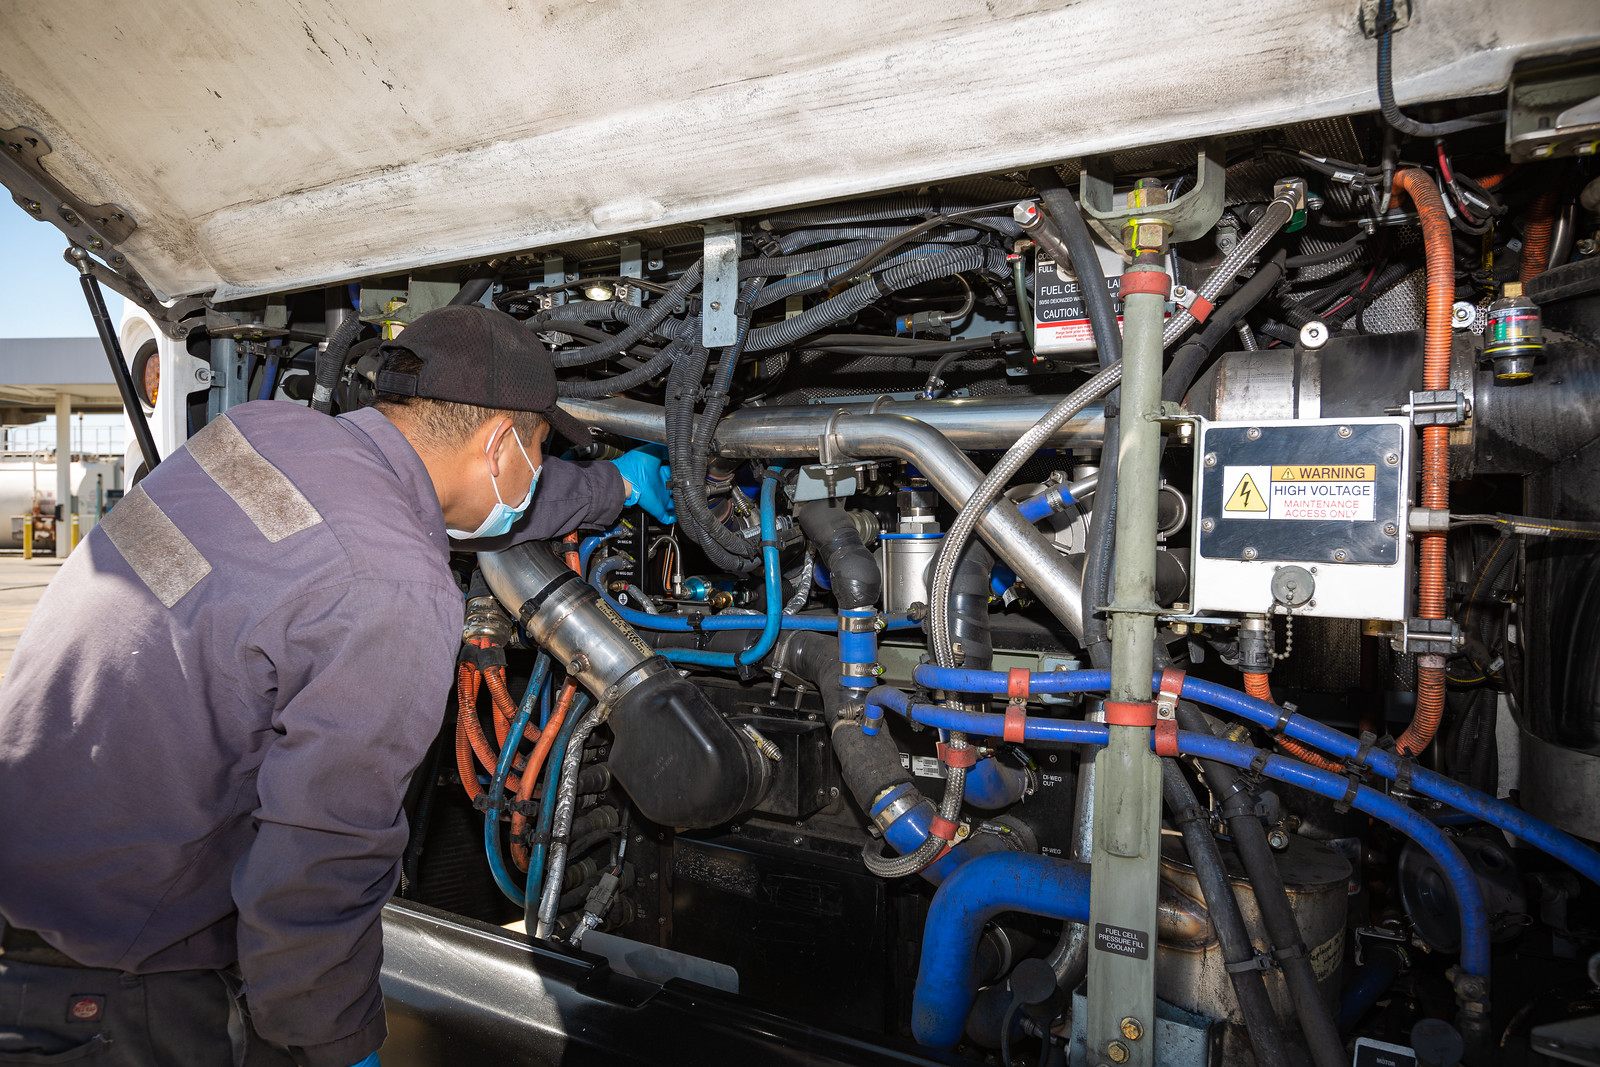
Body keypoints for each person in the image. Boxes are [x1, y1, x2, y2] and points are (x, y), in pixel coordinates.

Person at [0, 305, 675, 1066]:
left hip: (33, 866)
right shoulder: (394, 585)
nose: (539, 468)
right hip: (120, 977)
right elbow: (320, 864)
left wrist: (614, 485)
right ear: (499, 445)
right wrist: (335, 1042)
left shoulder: (262, 432)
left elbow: (467, 507)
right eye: (542, 448)